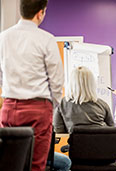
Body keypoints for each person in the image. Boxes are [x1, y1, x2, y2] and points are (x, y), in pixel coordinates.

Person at [0, 0, 64, 170]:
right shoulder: (46, 39)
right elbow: (57, 79)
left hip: (8, 108)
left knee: (9, 164)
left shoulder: (3, 37)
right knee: (36, 165)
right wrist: (53, 104)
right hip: (38, 109)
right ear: (40, 13)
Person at [53, 66, 114, 133]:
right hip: (100, 142)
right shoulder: (103, 105)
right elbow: (113, 131)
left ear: (71, 83)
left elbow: (59, 132)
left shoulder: (62, 104)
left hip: (74, 142)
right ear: (92, 83)